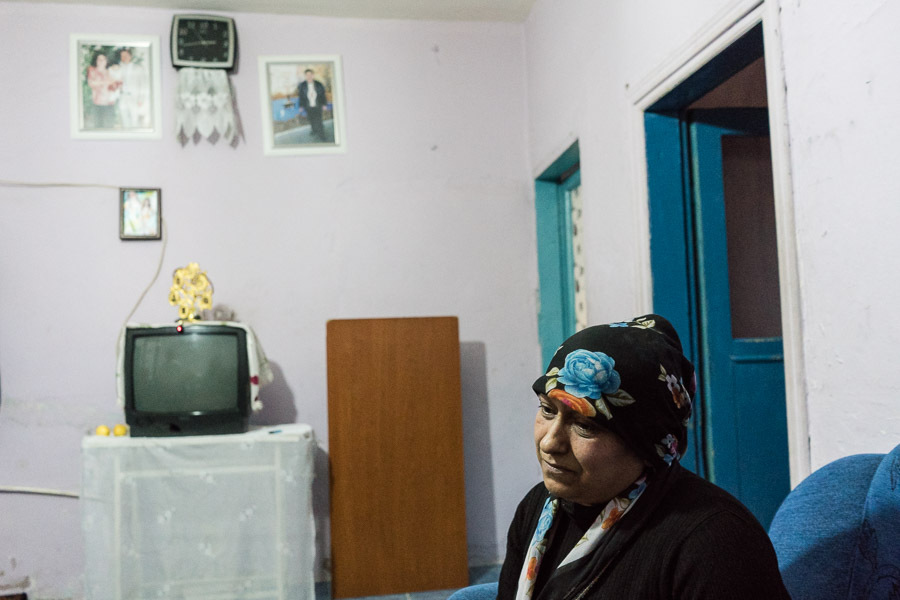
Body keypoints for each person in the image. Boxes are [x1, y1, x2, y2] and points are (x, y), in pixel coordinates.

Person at [496, 315, 790, 600]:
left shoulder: (717, 543)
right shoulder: (538, 509)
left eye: (585, 426)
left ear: (646, 442)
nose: (550, 442)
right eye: (547, 410)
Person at [112, 47, 150, 129]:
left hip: (134, 97)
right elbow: (114, 80)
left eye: (126, 55)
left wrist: (141, 99)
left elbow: (143, 85)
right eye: (122, 56)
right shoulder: (119, 68)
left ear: (130, 56)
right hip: (122, 96)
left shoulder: (138, 68)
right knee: (124, 119)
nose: (124, 58)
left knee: (134, 120)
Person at [86, 51, 120, 129]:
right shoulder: (92, 70)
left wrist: (115, 84)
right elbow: (91, 83)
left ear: (106, 61)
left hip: (109, 105)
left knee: (109, 128)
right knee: (98, 128)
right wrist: (107, 82)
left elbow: (115, 86)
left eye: (103, 59)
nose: (101, 61)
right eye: (99, 59)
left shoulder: (111, 71)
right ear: (96, 60)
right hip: (97, 105)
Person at [297, 68, 328, 141]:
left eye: (310, 75)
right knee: (311, 119)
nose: (309, 76)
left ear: (313, 75)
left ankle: (322, 135)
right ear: (305, 76)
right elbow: (301, 96)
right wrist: (301, 106)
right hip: (308, 106)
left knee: (319, 121)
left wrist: (324, 104)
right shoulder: (302, 85)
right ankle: (314, 130)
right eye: (307, 75)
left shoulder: (319, 84)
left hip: (317, 105)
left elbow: (323, 95)